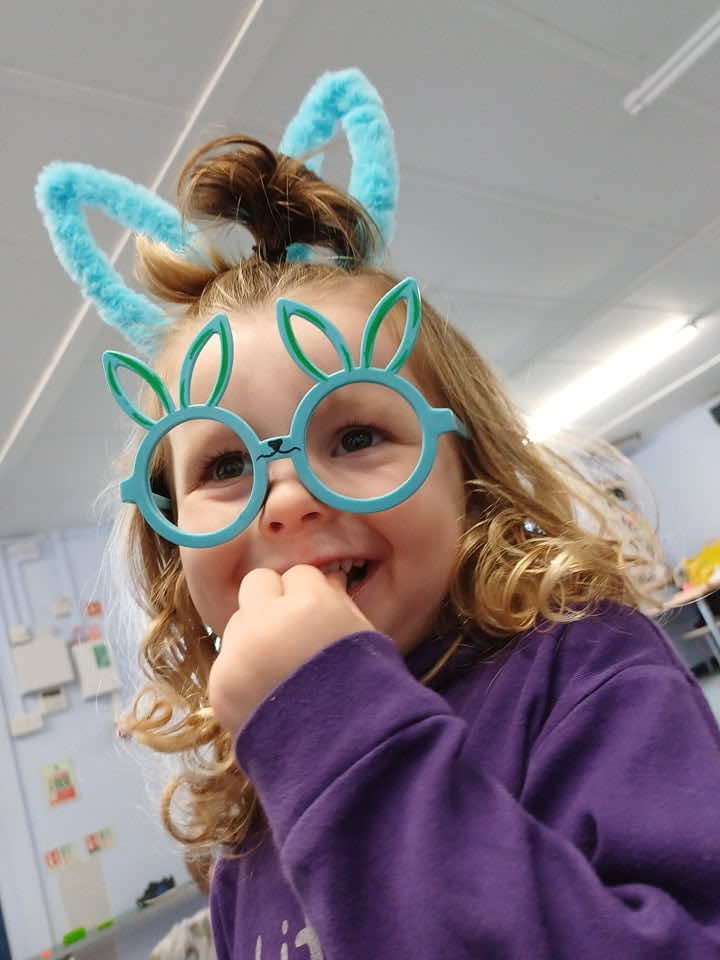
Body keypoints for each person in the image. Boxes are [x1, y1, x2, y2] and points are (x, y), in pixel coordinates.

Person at [36, 69, 720, 959]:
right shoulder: (249, 830)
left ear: (466, 473)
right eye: (227, 464)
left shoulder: (586, 669)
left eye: (355, 436)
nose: (286, 498)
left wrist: (335, 725)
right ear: (172, 547)